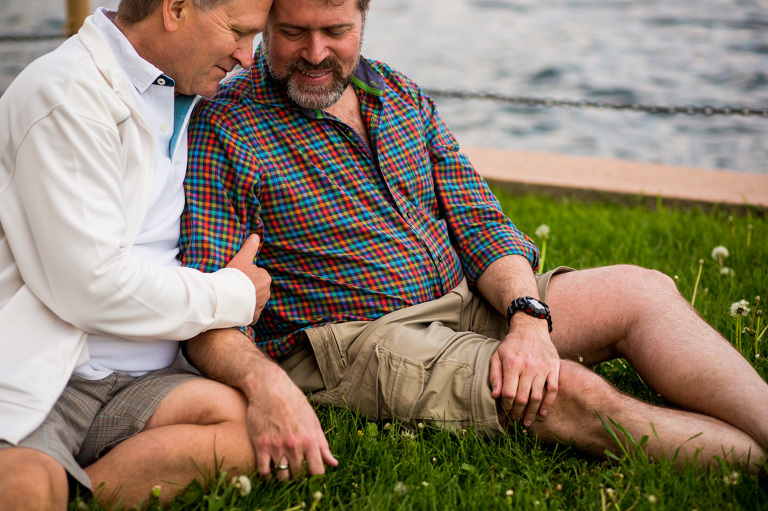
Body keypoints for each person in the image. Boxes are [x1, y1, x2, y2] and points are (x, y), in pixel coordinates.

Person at [181, 0, 768, 481]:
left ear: (364, 19)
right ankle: (752, 465)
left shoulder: (395, 91)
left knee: (644, 292)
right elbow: (208, 315)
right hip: (358, 340)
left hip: (465, 299)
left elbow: (480, 221)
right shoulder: (224, 125)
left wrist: (528, 318)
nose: (315, 53)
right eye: (292, 33)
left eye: (335, 31)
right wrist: (266, 385)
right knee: (564, 393)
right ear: (265, 24)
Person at [0, 0, 274, 508]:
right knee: (24, 487)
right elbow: (93, 286)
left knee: (249, 434)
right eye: (238, 32)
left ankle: (74, 491)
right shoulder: (68, 96)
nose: (247, 56)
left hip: (142, 382)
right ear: (174, 9)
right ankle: (43, 478)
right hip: (53, 374)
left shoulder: (177, 84)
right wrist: (231, 293)